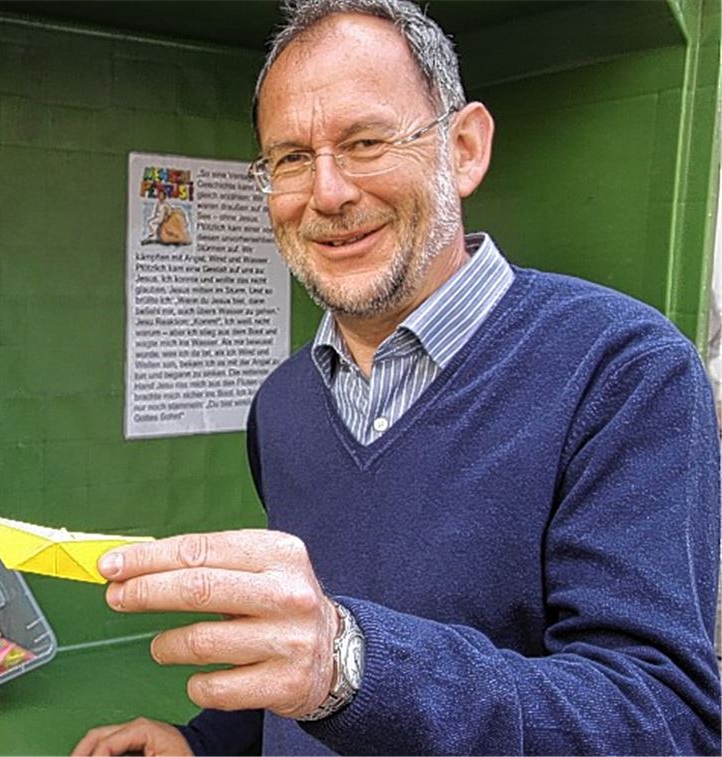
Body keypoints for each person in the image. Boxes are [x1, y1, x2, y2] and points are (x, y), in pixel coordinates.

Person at [73, 0, 721, 754]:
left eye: (367, 141)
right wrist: (208, 741)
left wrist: (351, 664)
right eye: (288, 158)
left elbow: (662, 719)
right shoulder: (283, 405)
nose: (329, 193)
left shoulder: (622, 372)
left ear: (466, 149)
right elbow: (303, 653)